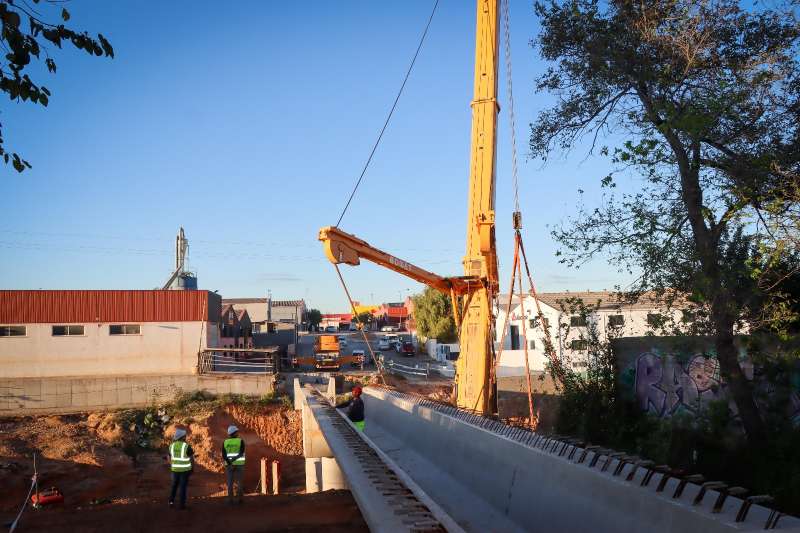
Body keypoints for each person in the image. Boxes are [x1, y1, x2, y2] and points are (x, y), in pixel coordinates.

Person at [168, 427, 194, 510]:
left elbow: (168, 457)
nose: (185, 437)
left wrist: (172, 464)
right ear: (182, 437)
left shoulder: (171, 446)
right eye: (184, 436)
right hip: (185, 470)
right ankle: (182, 505)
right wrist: (192, 468)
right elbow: (191, 458)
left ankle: (171, 501)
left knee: (174, 486)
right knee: (182, 487)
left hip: (174, 470)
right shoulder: (186, 446)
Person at [222, 424, 246, 504]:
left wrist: (230, 463)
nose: (238, 432)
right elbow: (241, 452)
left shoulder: (225, 442)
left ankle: (230, 500)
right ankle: (240, 499)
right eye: (237, 431)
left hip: (229, 465)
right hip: (239, 464)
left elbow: (224, 455)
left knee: (230, 483)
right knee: (240, 482)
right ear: (234, 432)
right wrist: (234, 461)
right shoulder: (240, 441)